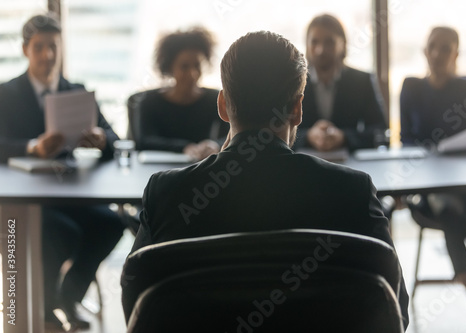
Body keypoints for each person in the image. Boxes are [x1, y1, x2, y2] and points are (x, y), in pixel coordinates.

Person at [130, 30, 409, 329]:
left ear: (223, 105)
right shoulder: (352, 191)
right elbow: (395, 312)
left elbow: (137, 309)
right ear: (298, 109)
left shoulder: (167, 194)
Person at [0, 14, 125, 330]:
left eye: (53, 47)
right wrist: (32, 147)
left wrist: (99, 139)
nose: (48, 55)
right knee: (62, 232)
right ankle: (43, 309)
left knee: (112, 224)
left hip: (69, 191)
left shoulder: (77, 92)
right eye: (40, 47)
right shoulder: (5, 94)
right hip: (27, 198)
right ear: (26, 49)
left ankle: (67, 297)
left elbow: (115, 139)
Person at [400, 26, 466, 331]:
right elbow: (406, 141)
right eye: (434, 46)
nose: (439, 54)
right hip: (438, 186)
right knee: (452, 213)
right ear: (424, 50)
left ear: (456, 54)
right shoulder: (412, 88)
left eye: (446, 48)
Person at [133, 27, 228, 161]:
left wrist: (214, 145)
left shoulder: (215, 98)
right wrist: (184, 147)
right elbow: (143, 141)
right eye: (184, 66)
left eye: (197, 66)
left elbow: (233, 134)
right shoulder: (148, 101)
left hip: (201, 168)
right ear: (170, 67)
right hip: (157, 171)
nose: (192, 74)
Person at [297, 14, 388, 152]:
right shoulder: (294, 82)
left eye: (329, 42)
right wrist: (308, 136)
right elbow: (277, 133)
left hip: (351, 166)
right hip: (304, 166)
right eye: (314, 42)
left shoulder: (362, 81)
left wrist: (344, 137)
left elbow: (380, 131)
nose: (320, 50)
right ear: (307, 45)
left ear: (343, 44)